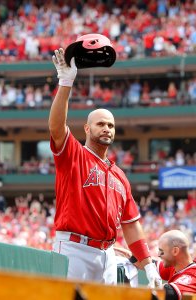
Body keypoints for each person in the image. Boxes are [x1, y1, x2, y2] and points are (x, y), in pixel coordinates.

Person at [48, 47, 162, 287]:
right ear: (87, 129)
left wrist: (149, 265)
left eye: (110, 125)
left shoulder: (120, 176)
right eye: (100, 124)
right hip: (74, 248)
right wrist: (66, 82)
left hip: (107, 253)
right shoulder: (74, 154)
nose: (107, 128)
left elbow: (131, 225)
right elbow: (57, 128)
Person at [157, 230, 196, 299]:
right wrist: (133, 257)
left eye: (162, 252)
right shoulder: (174, 265)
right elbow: (149, 262)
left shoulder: (193, 274)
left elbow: (169, 292)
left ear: (175, 251)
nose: (158, 255)